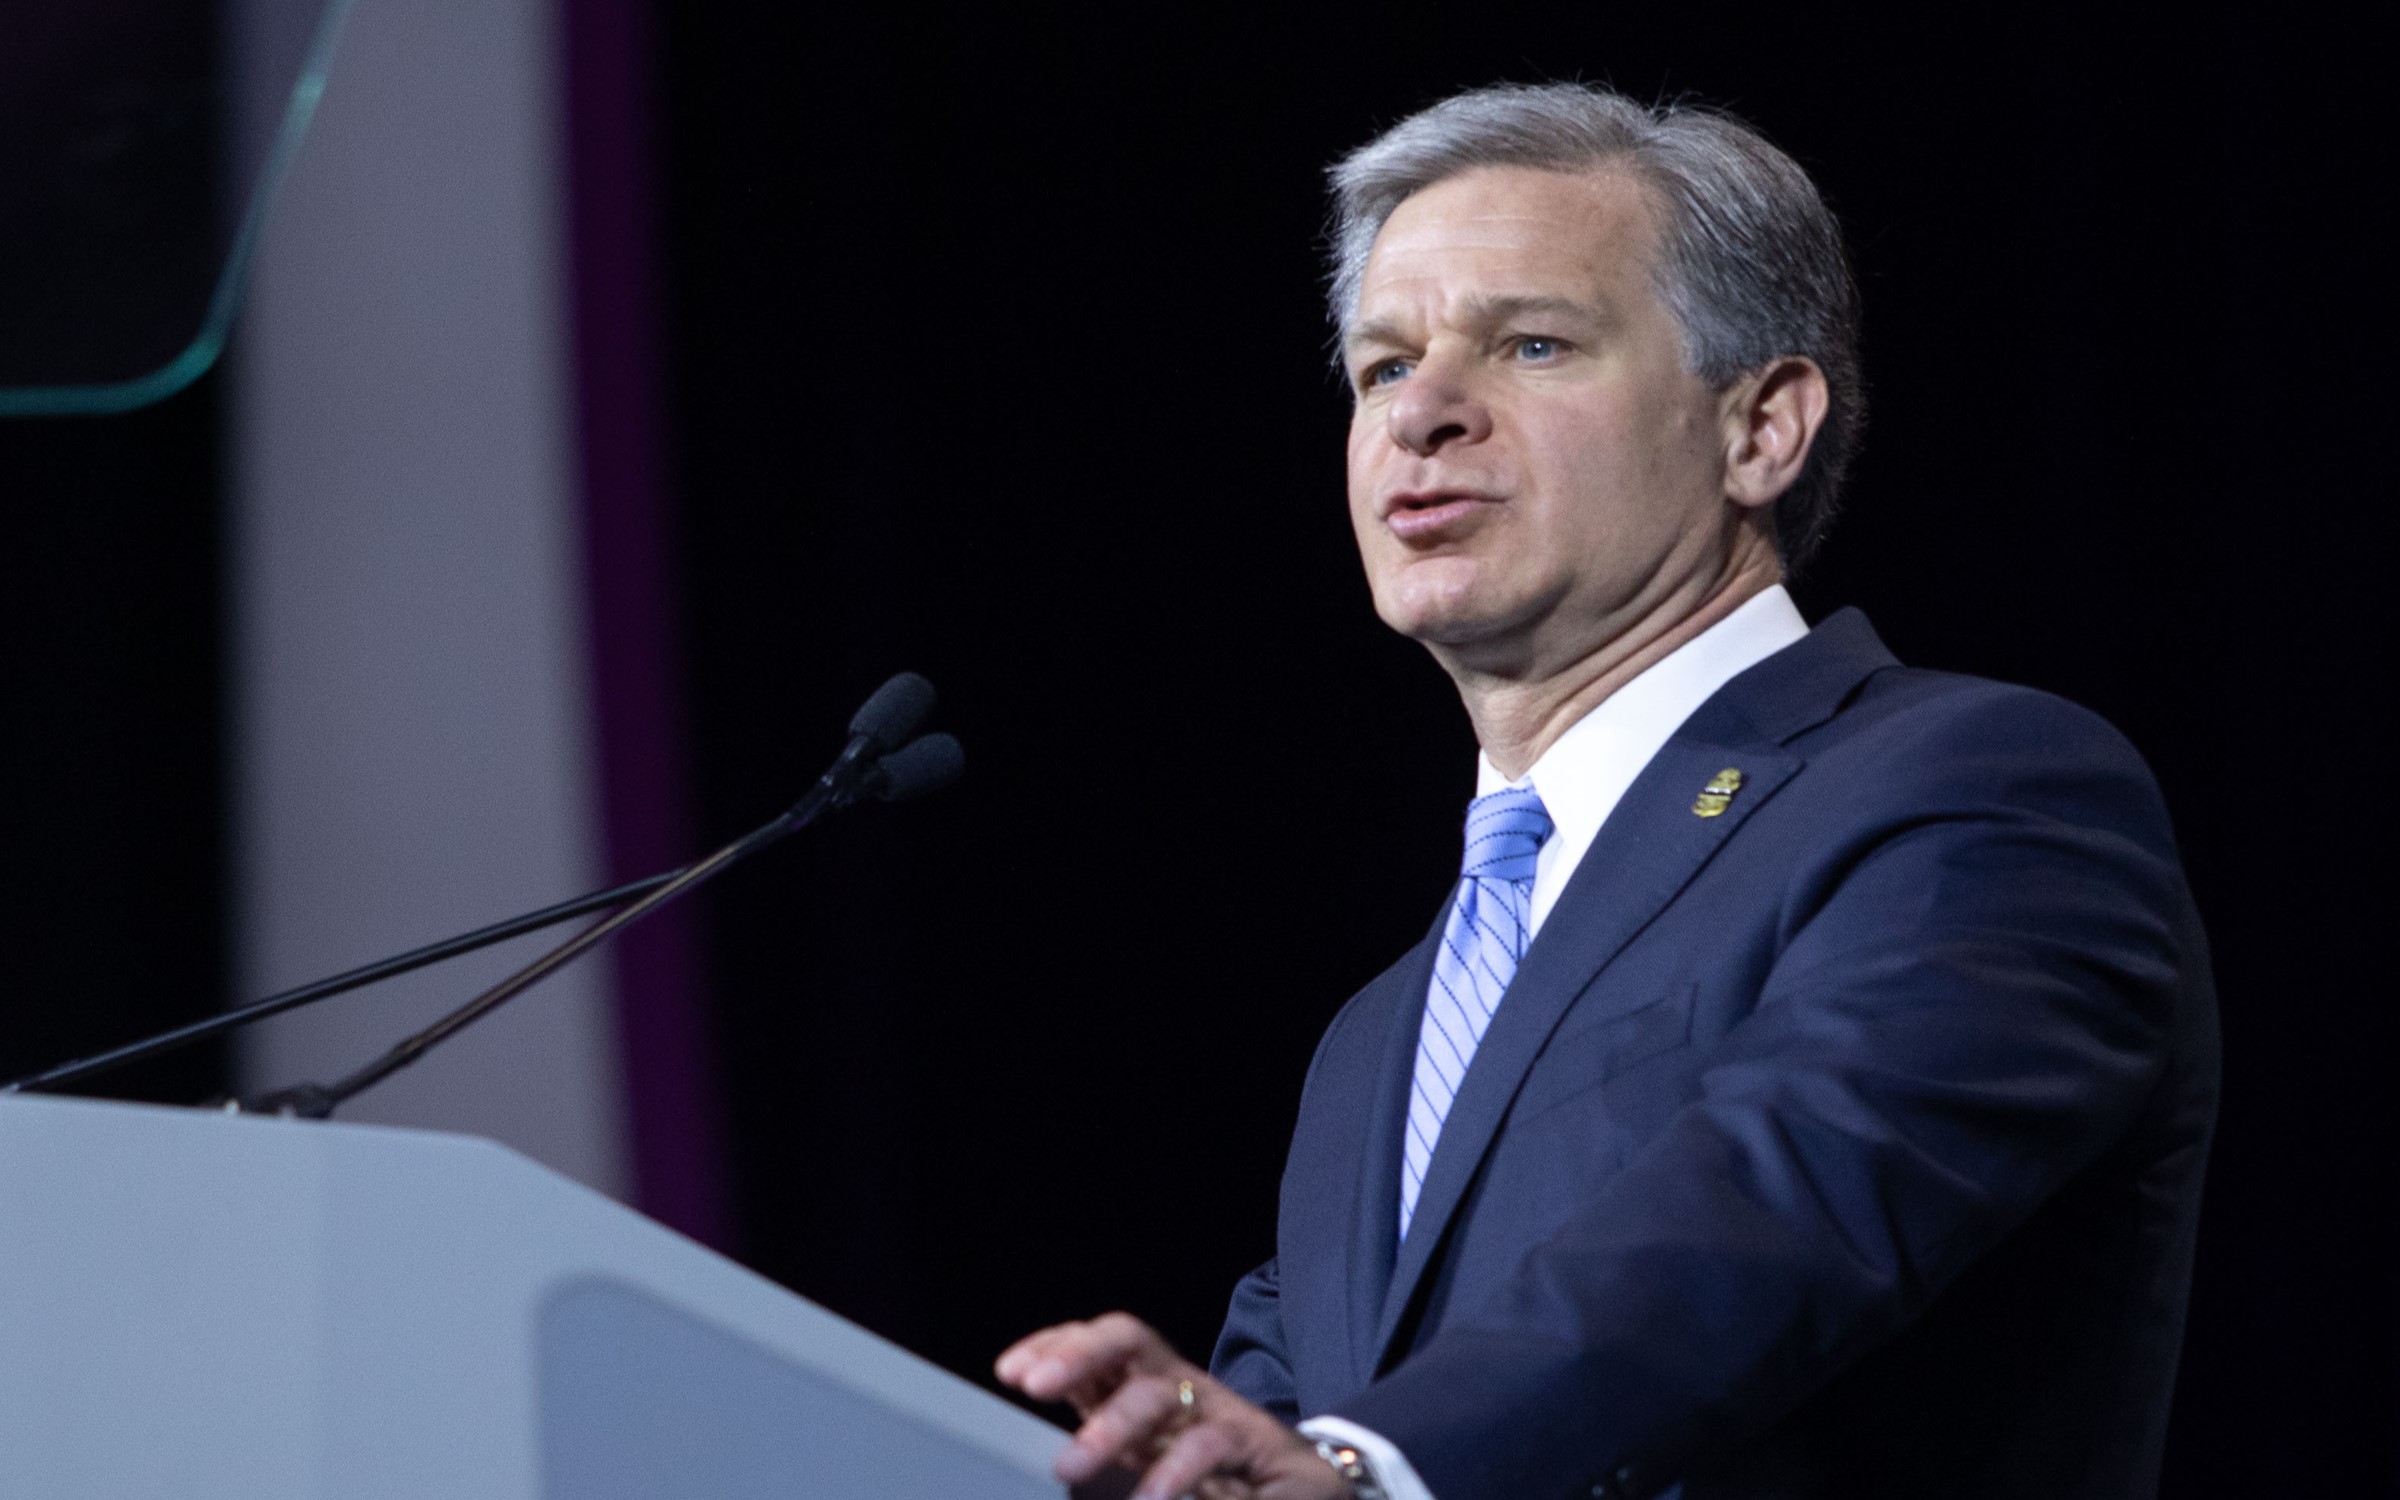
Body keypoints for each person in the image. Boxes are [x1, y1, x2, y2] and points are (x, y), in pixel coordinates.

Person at [996, 82, 2217, 1500]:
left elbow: (1790, 1195)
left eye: (1530, 343)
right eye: (1382, 366)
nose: (1426, 414)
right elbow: (1280, 1438)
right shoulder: (1377, 1042)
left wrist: (1370, 1464)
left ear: (1760, 427)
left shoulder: (1978, 798)